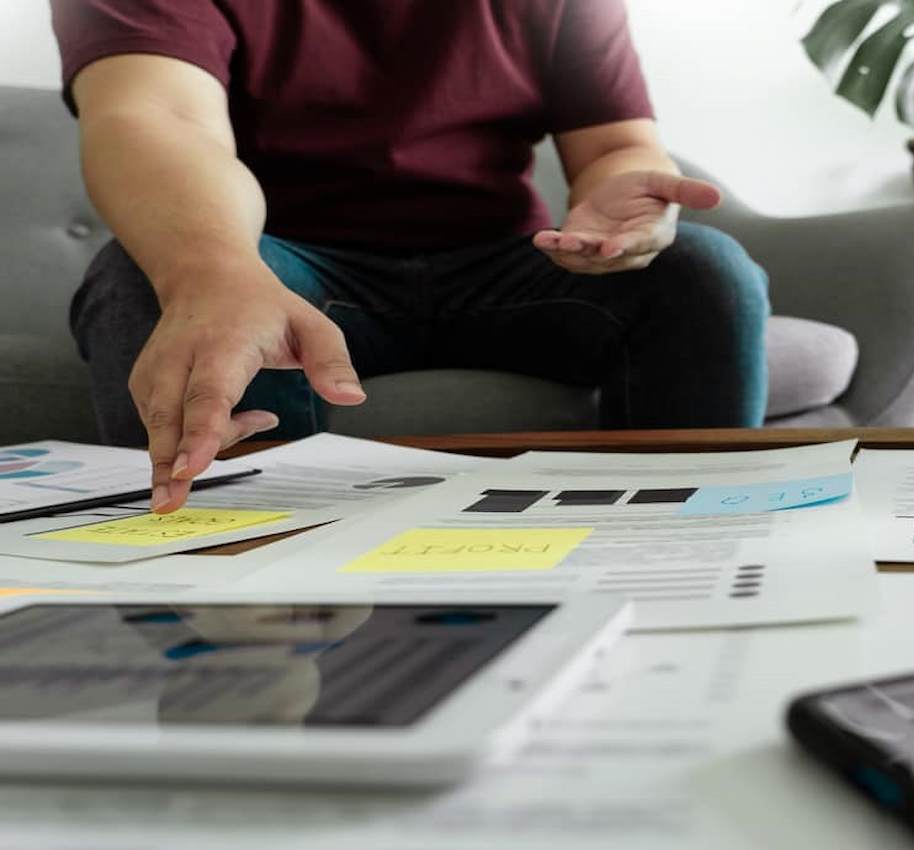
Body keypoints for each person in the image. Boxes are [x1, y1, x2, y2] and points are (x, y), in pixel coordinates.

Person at [51, 0, 771, 513]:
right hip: (287, 266)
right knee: (149, 275)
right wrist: (212, 273)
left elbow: (615, 143)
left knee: (702, 273)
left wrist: (623, 202)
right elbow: (156, 115)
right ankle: (226, 570)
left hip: (507, 268)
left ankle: (699, 533)